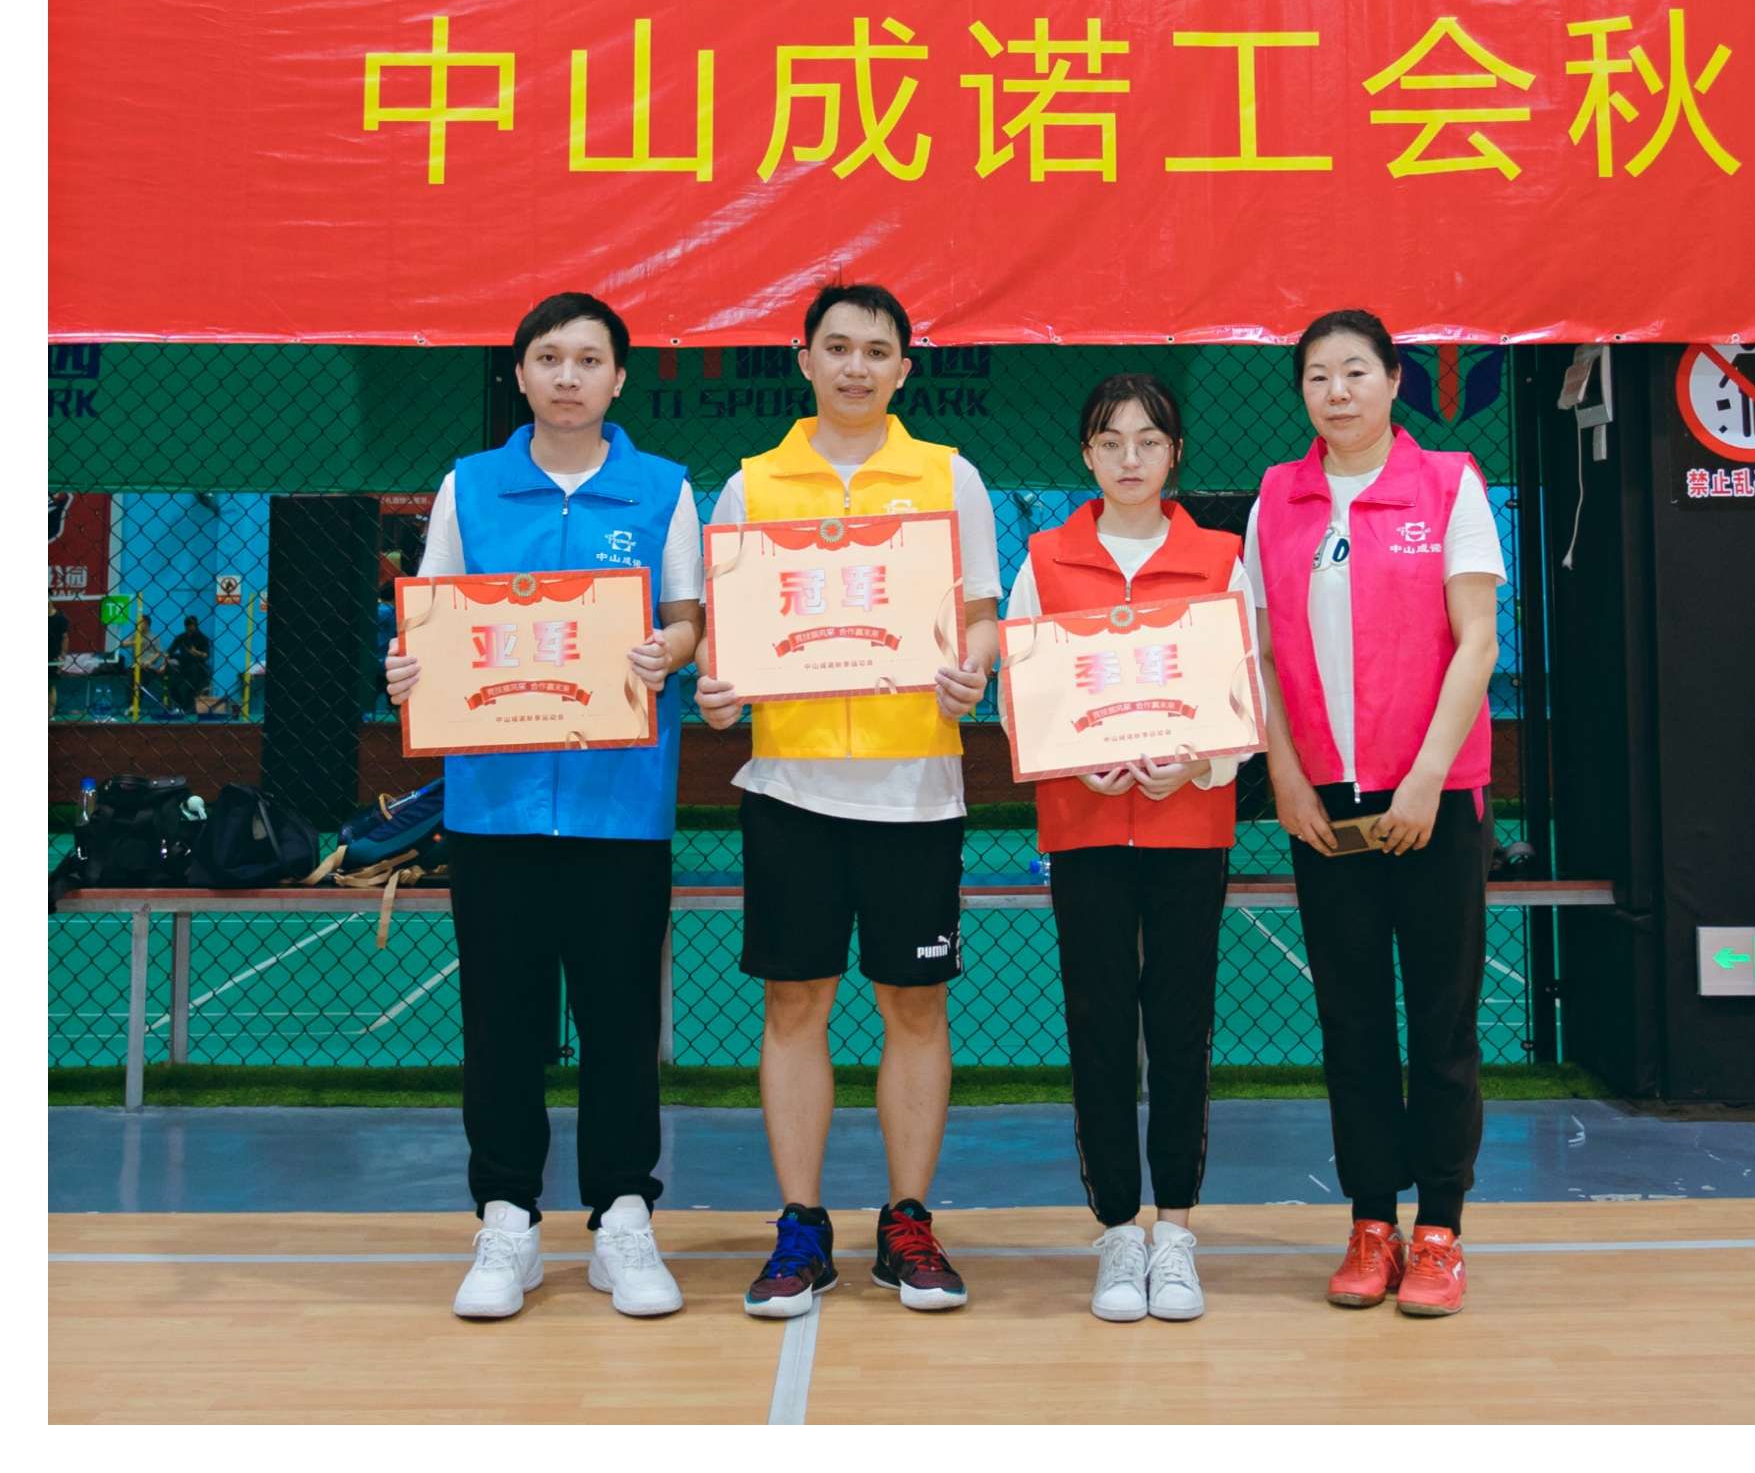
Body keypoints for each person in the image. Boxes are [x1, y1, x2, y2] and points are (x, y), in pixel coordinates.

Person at [385, 289, 702, 1323]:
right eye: (550, 358)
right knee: (502, 1024)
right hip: (495, 805)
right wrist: (406, 667)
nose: (569, 377)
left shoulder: (664, 489)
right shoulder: (469, 486)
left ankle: (623, 1217)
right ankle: (508, 1219)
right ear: (519, 373)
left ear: (619, 377)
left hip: (621, 807)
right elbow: (430, 622)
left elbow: (690, 617)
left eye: (589, 359)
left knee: (621, 1022)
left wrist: (670, 648)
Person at [696, 278, 1004, 1317]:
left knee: (914, 1006)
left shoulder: (950, 477)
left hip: (915, 789)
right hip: (791, 787)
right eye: (838, 347)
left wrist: (973, 667)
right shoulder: (749, 486)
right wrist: (719, 690)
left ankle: (908, 1222)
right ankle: (801, 1226)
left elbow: (981, 617)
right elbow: (728, 643)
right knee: (796, 1004)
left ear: (904, 369)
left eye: (877, 351)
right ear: (805, 360)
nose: (856, 367)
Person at [1242, 308, 1503, 1320]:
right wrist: (1288, 776)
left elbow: (1476, 640)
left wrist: (1428, 777)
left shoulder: (1450, 484)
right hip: (1327, 808)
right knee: (1351, 1024)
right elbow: (1263, 654)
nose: (1337, 392)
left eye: (1356, 371)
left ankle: (1439, 1229)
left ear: (1396, 381)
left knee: (1440, 1020)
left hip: (1435, 796)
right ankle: (1369, 1223)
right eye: (1318, 376)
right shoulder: (1278, 497)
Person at [1005, 374, 1245, 1325]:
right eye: (1112, 443)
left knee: (1181, 1028)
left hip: (1191, 826)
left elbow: (1245, 686)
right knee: (1099, 1027)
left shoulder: (1222, 557)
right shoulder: (1045, 559)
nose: (1131, 459)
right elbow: (1022, 693)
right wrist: (1074, 762)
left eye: (1149, 441)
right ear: (1087, 455)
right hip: (1087, 825)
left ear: (1174, 453)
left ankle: (1174, 1231)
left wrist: (1203, 765)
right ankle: (1115, 1229)